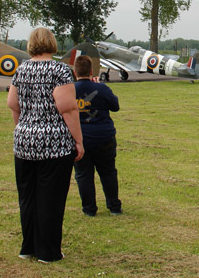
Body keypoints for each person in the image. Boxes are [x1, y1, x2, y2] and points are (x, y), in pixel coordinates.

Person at [7, 27, 84, 263]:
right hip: (55, 144)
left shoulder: (21, 70)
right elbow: (68, 108)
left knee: (27, 197)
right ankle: (48, 252)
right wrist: (78, 141)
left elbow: (13, 104)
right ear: (52, 43)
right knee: (51, 198)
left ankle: (27, 247)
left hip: (24, 142)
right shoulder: (60, 70)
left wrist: (24, 128)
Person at [72, 56, 122, 216]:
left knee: (83, 175)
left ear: (75, 72)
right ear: (92, 71)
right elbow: (115, 106)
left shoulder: (70, 90)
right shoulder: (101, 89)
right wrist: (100, 87)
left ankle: (89, 209)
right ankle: (114, 206)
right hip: (103, 138)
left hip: (81, 139)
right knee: (108, 172)